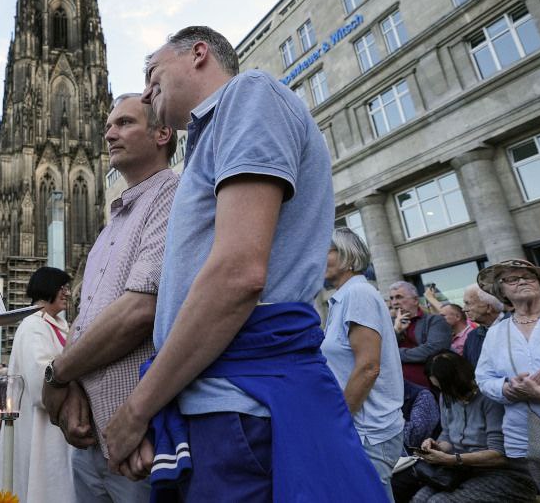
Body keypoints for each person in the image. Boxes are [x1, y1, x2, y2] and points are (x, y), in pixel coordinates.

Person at [105, 26, 385, 501]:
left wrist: (137, 409)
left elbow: (237, 276)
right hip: (226, 403)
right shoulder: (209, 139)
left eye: (152, 73)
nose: (147, 92)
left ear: (198, 54)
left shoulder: (248, 94)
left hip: (243, 407)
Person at [40, 93, 178, 503]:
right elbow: (86, 322)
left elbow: (140, 312)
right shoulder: (109, 226)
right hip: (92, 440)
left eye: (124, 123)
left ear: (162, 133)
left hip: (139, 440)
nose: (109, 133)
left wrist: (58, 375)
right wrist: (76, 391)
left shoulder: (174, 197)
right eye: (108, 125)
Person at [323, 227, 405, 500]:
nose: (317, 256)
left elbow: (368, 367)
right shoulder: (343, 297)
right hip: (361, 427)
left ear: (348, 256)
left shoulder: (358, 294)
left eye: (327, 250)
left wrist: (339, 420)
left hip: (369, 431)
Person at [392, 351, 538, 503]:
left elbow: (499, 454)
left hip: (504, 474)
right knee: (419, 499)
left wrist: (452, 459)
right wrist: (437, 446)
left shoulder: (489, 398)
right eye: (440, 388)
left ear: (458, 380)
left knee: (438, 502)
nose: (445, 393)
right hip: (463, 469)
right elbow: (448, 436)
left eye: (446, 388)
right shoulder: (447, 396)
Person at [0, 267, 75, 503]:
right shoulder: (33, 325)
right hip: (45, 425)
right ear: (47, 287)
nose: (67, 293)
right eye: (63, 288)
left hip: (61, 425)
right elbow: (42, 380)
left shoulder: (59, 324)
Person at [475, 259, 540, 499]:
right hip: (528, 435)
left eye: (529, 276)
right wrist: (508, 389)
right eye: (512, 279)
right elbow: (484, 378)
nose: (522, 282)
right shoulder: (497, 332)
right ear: (501, 291)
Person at [390, 281, 452, 388]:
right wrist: (396, 331)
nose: (394, 302)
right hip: (399, 391)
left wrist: (395, 354)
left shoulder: (435, 321)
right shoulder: (388, 325)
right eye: (391, 298)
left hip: (432, 388)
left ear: (415, 300)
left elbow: (432, 350)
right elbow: (379, 352)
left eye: (399, 297)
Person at [461, 286, 504, 368]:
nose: (464, 309)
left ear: (488, 307)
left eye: (468, 303)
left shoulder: (517, 327)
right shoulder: (472, 337)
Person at [402, 380, 439, 452]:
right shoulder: (377, 396)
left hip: (416, 457)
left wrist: (391, 414)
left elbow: (414, 441)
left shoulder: (423, 396)